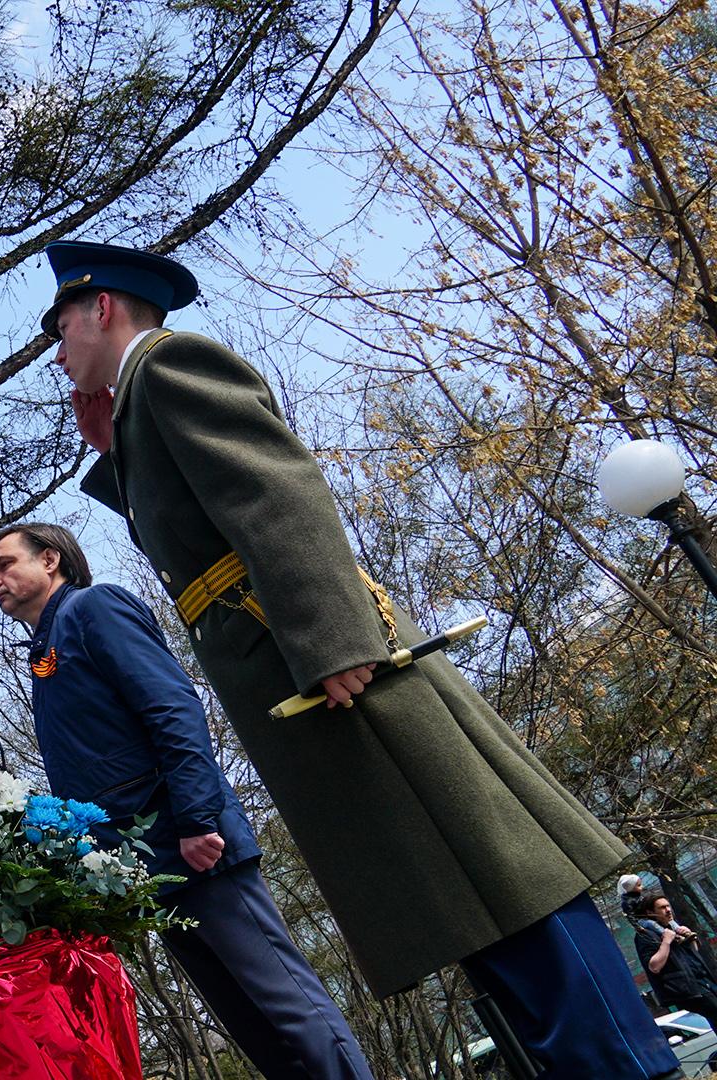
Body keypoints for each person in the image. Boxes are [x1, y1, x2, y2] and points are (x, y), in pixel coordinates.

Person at [45, 239, 681, 1080]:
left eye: (60, 327)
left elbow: (278, 489)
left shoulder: (167, 365)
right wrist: (113, 459)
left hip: (335, 673)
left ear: (101, 308)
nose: (56, 352)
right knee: (456, 901)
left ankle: (623, 1066)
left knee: (496, 873)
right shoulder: (136, 406)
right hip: (304, 679)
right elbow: (195, 524)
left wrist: (333, 643)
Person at [0, 522, 374, 1080]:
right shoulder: (45, 651)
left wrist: (195, 819)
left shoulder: (94, 609)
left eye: (5, 564)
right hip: (147, 873)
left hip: (195, 848)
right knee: (254, 1029)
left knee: (290, 1008)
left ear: (50, 560)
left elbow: (174, 709)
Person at [635, 893, 717, 1029]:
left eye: (668, 906)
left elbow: (693, 953)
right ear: (650, 913)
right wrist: (666, 941)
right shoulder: (646, 935)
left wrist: (690, 937)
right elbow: (654, 966)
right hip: (689, 989)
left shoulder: (674, 928)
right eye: (662, 908)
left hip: (705, 980)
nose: (668, 910)